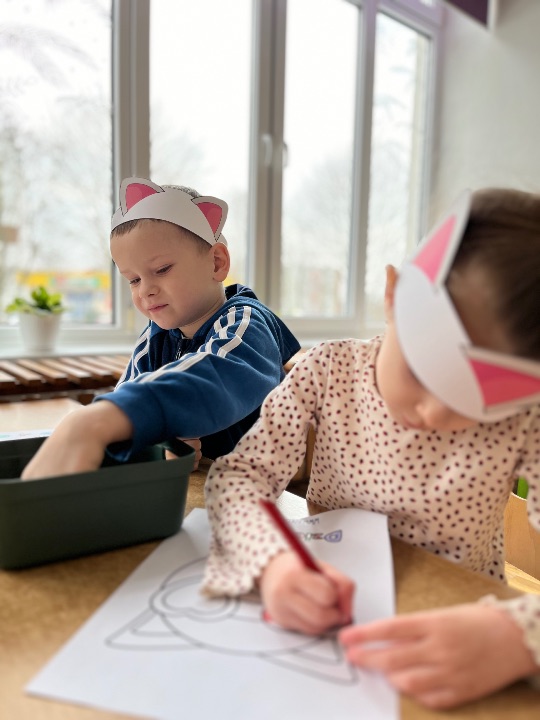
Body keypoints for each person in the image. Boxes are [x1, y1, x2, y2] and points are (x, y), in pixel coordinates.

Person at [201, 187, 540, 710]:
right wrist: (271, 562)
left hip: (462, 625)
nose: (434, 414)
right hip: (330, 611)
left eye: (475, 405)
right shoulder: (327, 371)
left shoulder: (525, 419)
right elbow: (239, 477)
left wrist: (521, 638)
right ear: (393, 296)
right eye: (422, 372)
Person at [22, 177, 300, 479]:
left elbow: (218, 375)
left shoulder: (247, 324)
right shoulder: (155, 337)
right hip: (202, 486)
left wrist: (98, 420)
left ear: (217, 263)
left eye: (162, 270)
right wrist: (162, 442)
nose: (145, 290)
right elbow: (132, 394)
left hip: (264, 491)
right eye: (134, 280)